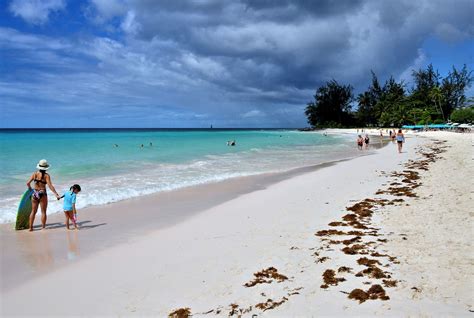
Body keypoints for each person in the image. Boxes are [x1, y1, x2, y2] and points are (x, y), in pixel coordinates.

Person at [26, 159, 60, 231]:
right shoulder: (46, 176)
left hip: (34, 193)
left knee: (33, 211)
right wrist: (56, 194)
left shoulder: (34, 174)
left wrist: (30, 189)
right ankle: (43, 227)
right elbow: (50, 186)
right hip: (42, 193)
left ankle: (31, 228)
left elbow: (27, 183)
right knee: (43, 211)